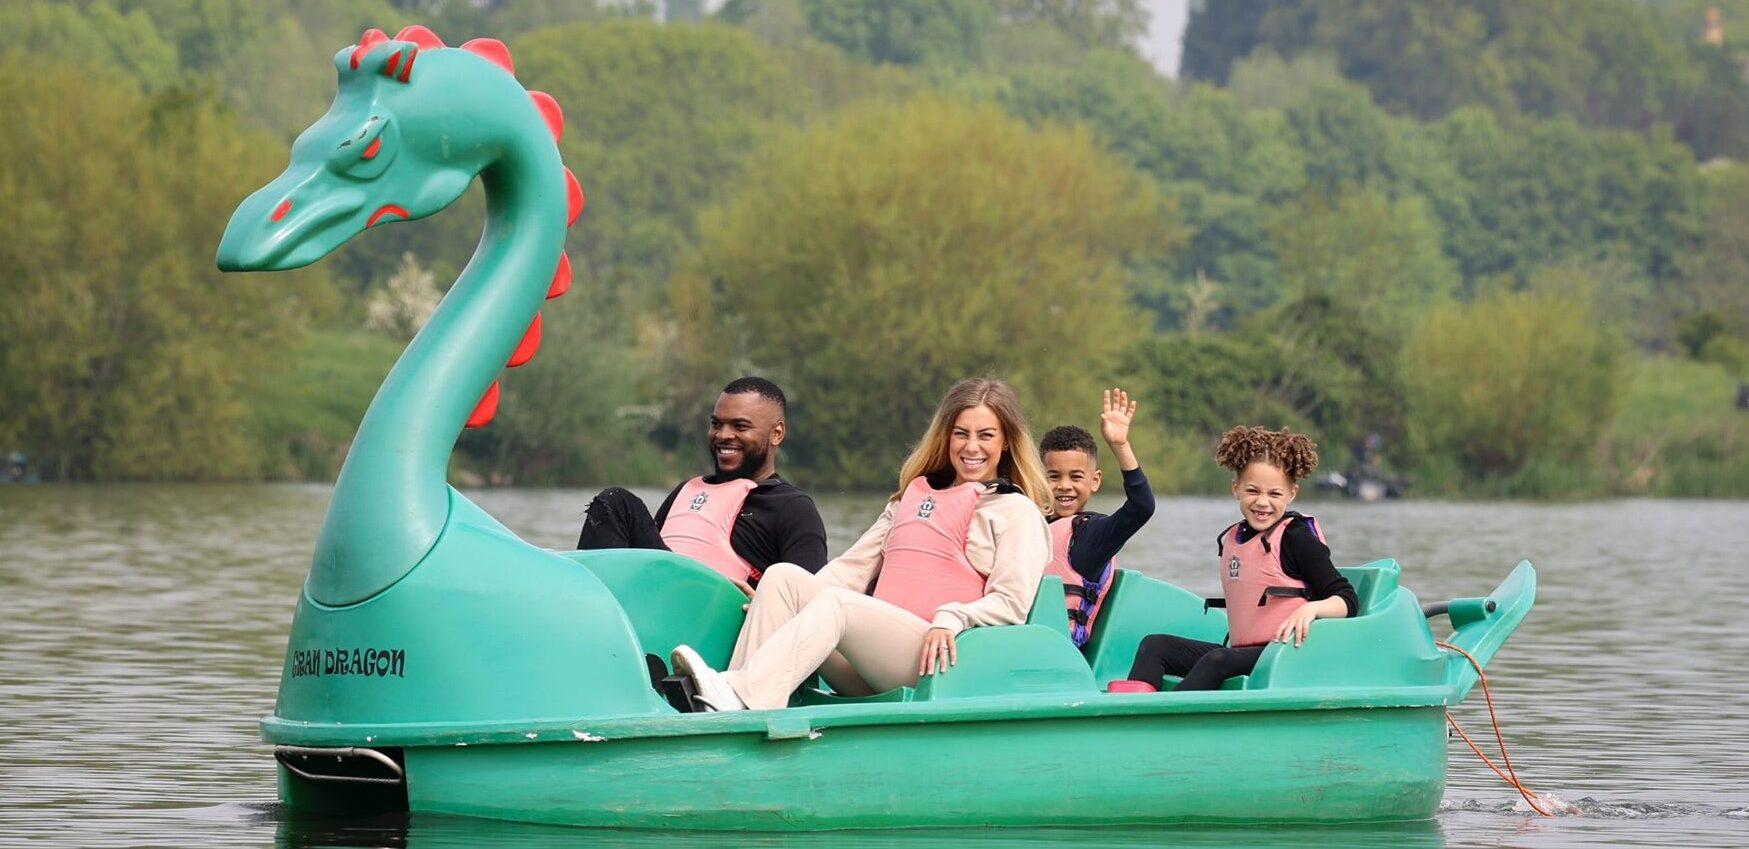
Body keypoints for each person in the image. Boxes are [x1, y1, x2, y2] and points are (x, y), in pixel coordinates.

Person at [667, 377, 1052, 711]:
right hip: (871, 662)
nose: (971, 447)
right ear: (946, 436)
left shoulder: (1015, 511)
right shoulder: (909, 500)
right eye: (961, 433)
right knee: (783, 577)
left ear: (1005, 444)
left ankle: (740, 695)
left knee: (836, 605)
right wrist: (779, 598)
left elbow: (1012, 604)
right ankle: (732, 705)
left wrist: (952, 618)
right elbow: (850, 570)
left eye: (986, 436)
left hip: (937, 662)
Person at [1119, 426, 1356, 692]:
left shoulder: (1297, 538)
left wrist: (1311, 609)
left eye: (1275, 494)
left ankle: (1163, 722)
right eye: (1253, 491)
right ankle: (1133, 713)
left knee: (1217, 659)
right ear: (1236, 488)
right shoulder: (1236, 537)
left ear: (1292, 494)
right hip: (1242, 653)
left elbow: (1347, 600)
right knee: (1154, 645)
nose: (1262, 502)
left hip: (1285, 655)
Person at [575, 377, 828, 588]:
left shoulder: (792, 508)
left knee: (618, 501)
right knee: (614, 505)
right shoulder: (685, 491)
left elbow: (808, 605)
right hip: (659, 601)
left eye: (740, 426)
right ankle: (589, 615)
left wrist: (765, 603)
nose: (723, 435)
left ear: (777, 433)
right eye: (716, 424)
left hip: (712, 620)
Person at [1039, 388, 1156, 648]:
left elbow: (1142, 507)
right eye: (1054, 476)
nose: (1064, 486)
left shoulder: (1091, 535)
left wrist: (1120, 446)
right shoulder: (1027, 523)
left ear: (1095, 481)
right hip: (1019, 640)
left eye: (1076, 477)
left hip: (1059, 651)